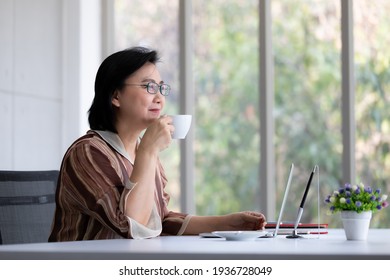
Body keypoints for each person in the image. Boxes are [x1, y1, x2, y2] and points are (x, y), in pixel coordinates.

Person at [48, 46, 266, 241]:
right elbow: (133, 226)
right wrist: (149, 150)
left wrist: (227, 224)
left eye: (162, 88)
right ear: (115, 95)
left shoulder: (141, 150)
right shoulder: (88, 153)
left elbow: (160, 219)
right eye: (149, 87)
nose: (160, 98)